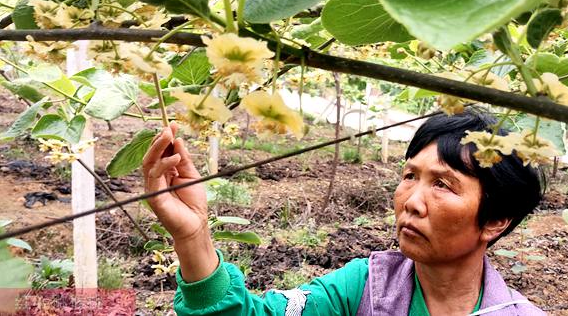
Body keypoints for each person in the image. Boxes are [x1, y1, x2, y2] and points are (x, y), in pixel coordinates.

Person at [143, 110, 547, 316]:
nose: (411, 200)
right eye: (409, 175)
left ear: (496, 219)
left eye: (442, 184)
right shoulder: (365, 290)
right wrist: (192, 235)